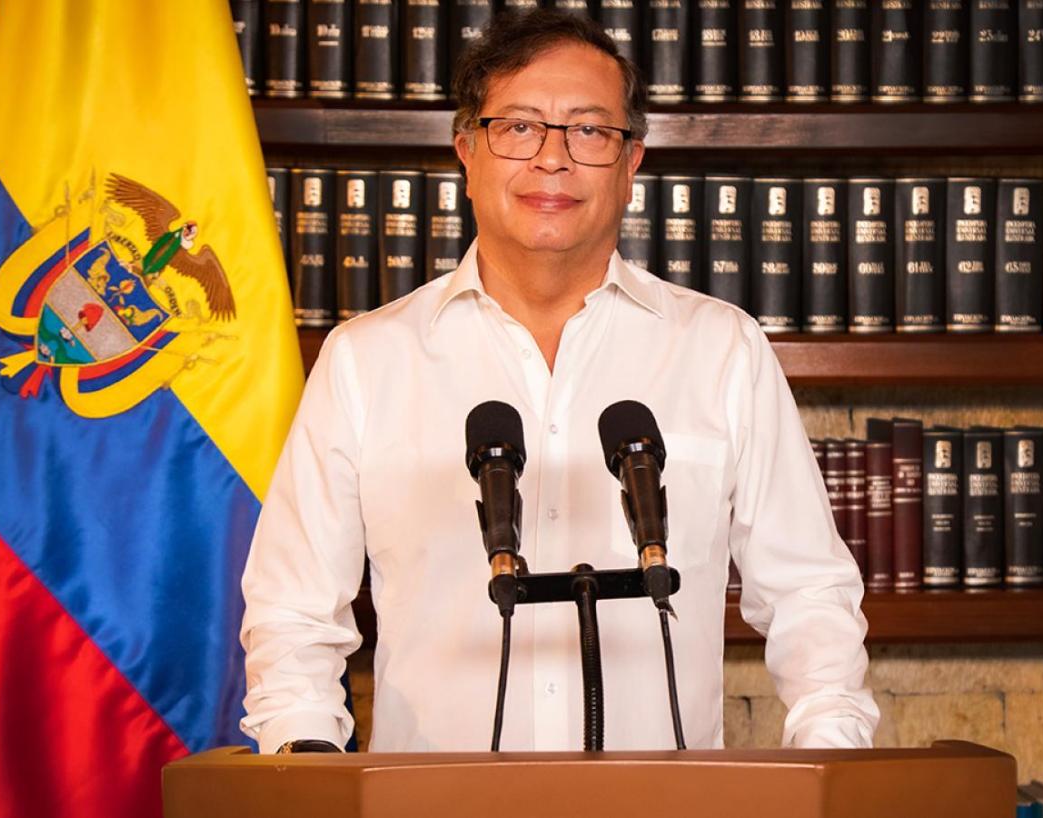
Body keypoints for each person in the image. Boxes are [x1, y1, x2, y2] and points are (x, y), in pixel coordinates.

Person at [240, 10, 879, 754]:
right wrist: (309, 769)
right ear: (466, 151)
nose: (553, 160)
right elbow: (293, 616)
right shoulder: (365, 361)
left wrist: (834, 762)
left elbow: (810, 594)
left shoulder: (719, 350)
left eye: (589, 131)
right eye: (518, 127)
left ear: (632, 162)